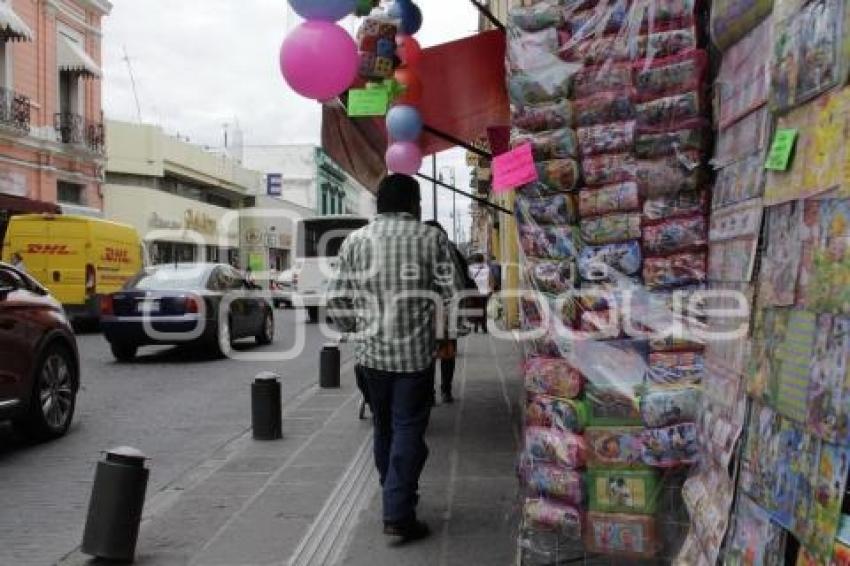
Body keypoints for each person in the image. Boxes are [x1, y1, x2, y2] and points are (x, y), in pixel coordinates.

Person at [327, 174, 465, 543]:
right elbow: (454, 297)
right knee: (408, 428)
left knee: (384, 427)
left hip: (370, 357)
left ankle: (395, 491)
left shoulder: (355, 242)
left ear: (378, 205)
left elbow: (337, 298)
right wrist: (449, 335)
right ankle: (398, 510)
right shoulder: (431, 238)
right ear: (415, 205)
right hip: (414, 358)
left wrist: (355, 327)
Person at [423, 220, 475, 405]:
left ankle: (429, 392)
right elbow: (465, 278)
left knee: (427, 355)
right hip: (447, 312)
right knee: (447, 352)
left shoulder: (421, 252)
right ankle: (446, 390)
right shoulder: (452, 250)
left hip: (428, 312)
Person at [468, 253, 492, 332]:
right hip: (485, 291)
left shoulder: (470, 268)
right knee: (484, 308)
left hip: (475, 292)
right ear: (482, 259)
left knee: (476, 308)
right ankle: (484, 326)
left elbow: (469, 280)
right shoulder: (487, 268)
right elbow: (490, 279)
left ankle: (476, 325)